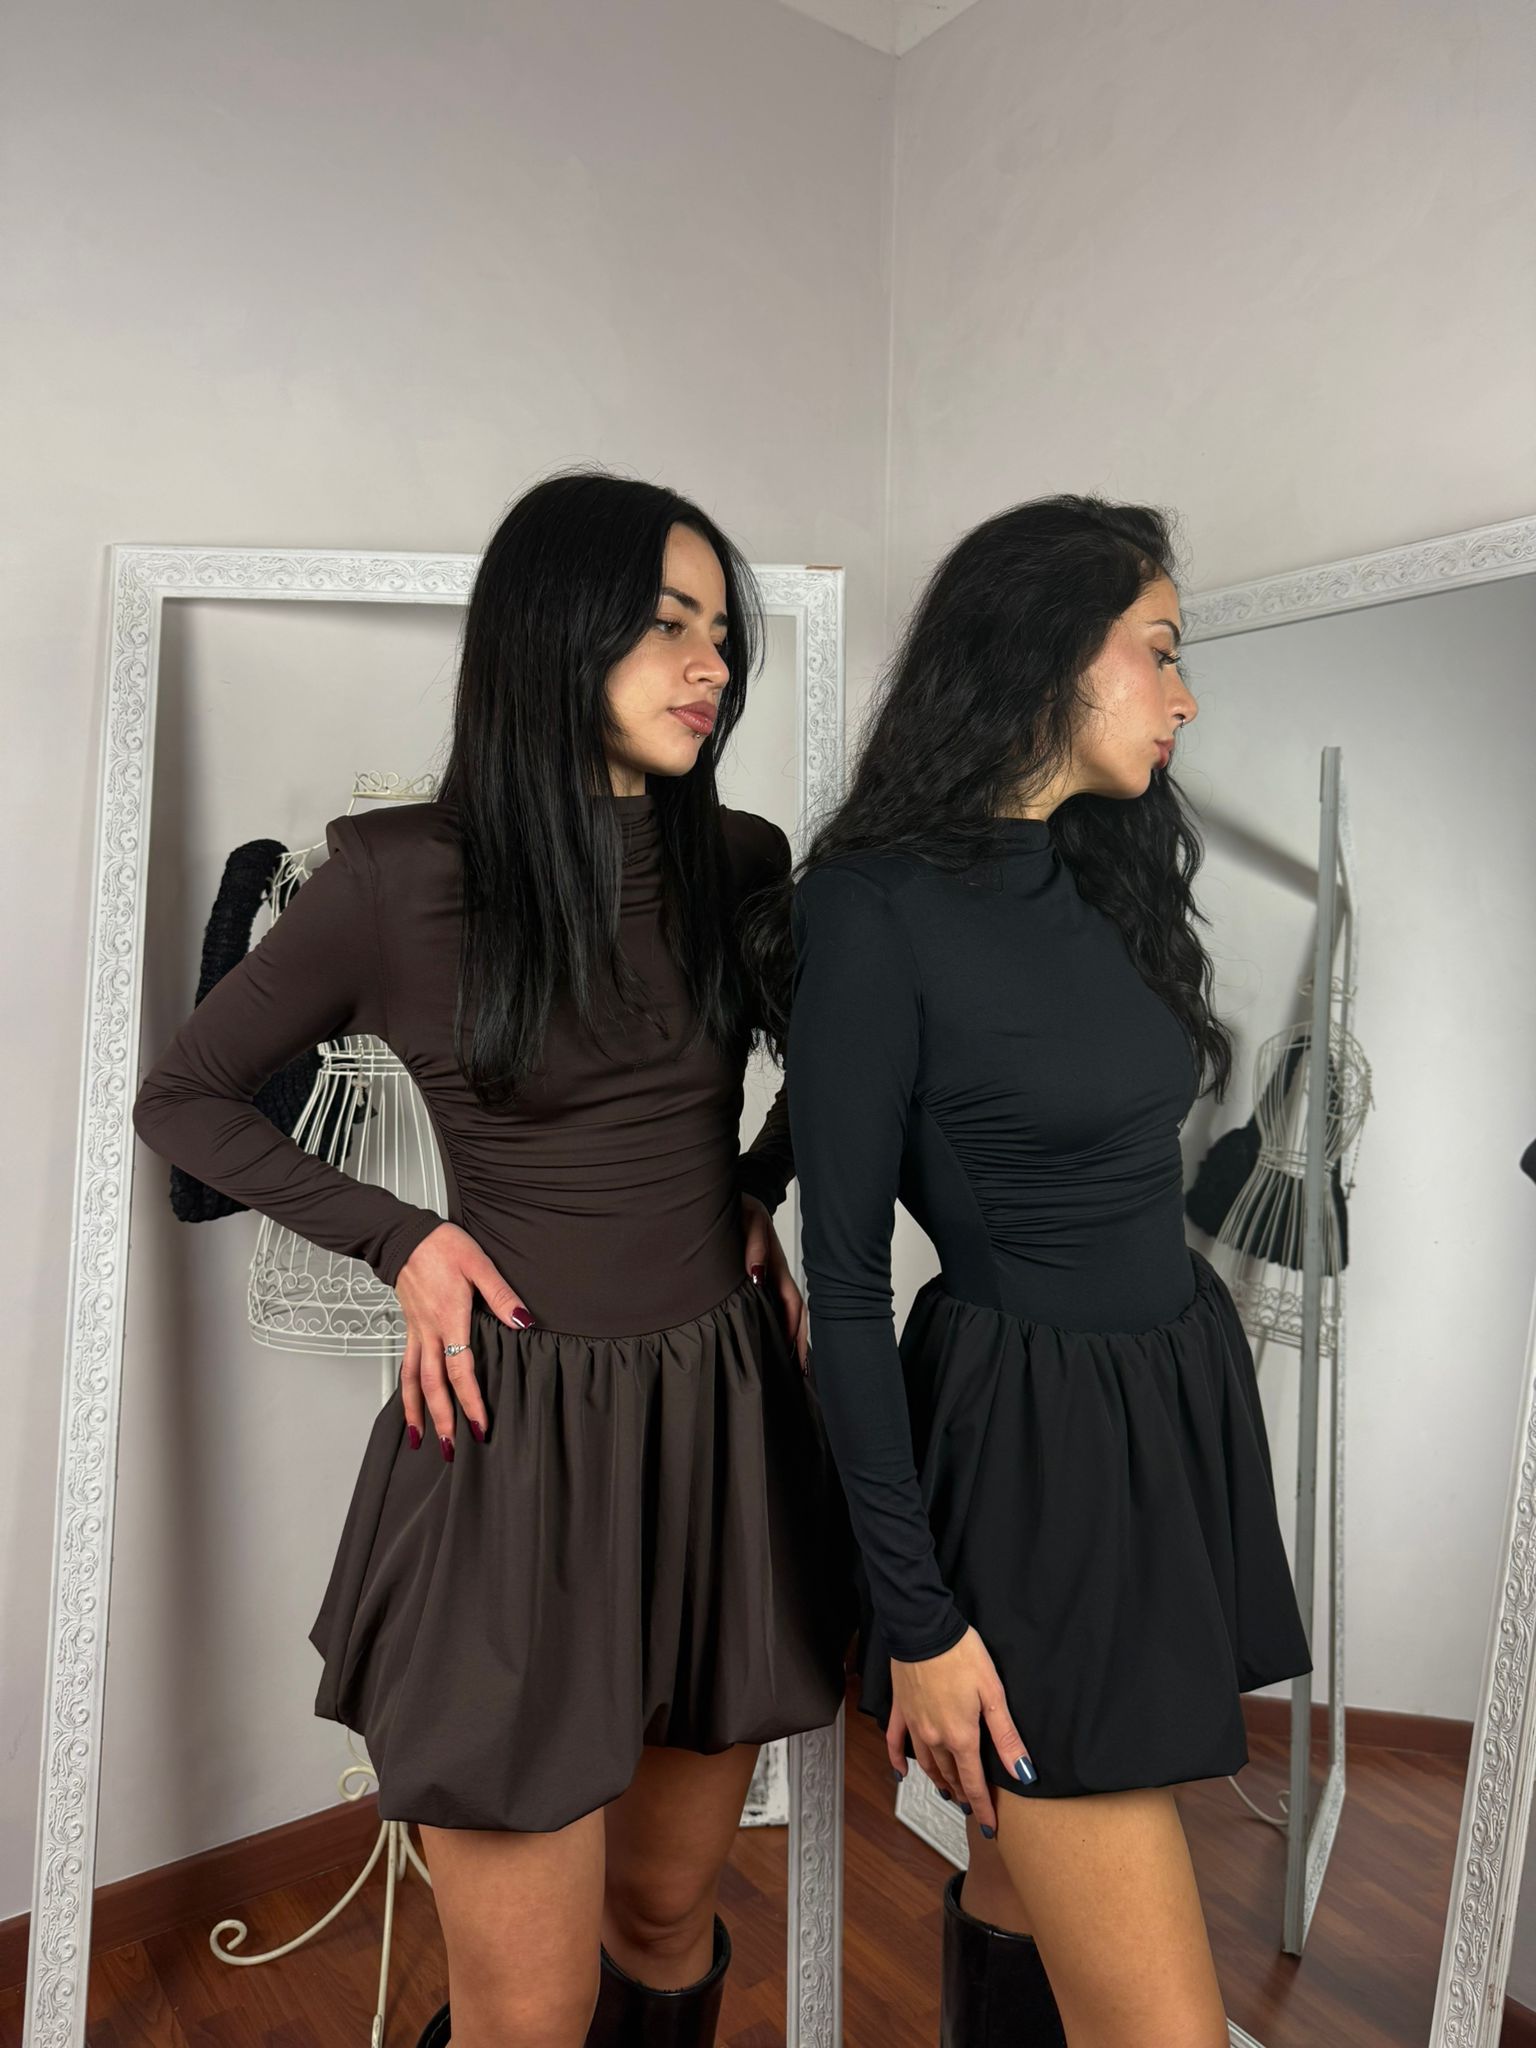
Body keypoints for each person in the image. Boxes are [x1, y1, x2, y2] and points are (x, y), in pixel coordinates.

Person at [132, 471, 853, 2048]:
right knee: (530, 2009)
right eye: (668, 625)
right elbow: (183, 1098)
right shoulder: (395, 877)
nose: (712, 665)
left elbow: (855, 1063)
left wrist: (756, 1181)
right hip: (510, 1444)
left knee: (665, 1925)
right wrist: (402, 1240)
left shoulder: (739, 858)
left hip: (720, 1428)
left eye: (723, 633)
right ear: (552, 633)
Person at [771, 495, 1313, 2047]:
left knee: (1023, 1887)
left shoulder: (1096, 873)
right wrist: (923, 1623)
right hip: (1034, 1459)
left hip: (1164, 1417)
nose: (1184, 696)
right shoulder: (872, 908)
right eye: (1160, 652)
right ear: (1044, 650)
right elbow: (848, 1292)